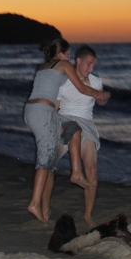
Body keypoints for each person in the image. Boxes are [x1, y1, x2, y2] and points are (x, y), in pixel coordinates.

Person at [24, 37, 106, 224]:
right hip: (43, 112)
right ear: (60, 54)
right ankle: (35, 204)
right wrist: (99, 94)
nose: (69, 57)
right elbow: (82, 88)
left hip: (33, 111)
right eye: (68, 54)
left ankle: (75, 174)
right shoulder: (64, 65)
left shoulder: (43, 68)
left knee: (73, 130)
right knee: (46, 161)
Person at [57, 45, 110, 227]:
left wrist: (105, 96)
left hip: (86, 123)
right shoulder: (63, 80)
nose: (91, 67)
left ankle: (88, 215)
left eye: (93, 64)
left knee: (92, 170)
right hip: (64, 120)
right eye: (88, 63)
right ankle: (42, 205)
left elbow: (101, 101)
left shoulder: (95, 81)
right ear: (78, 61)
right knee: (48, 163)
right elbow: (55, 107)